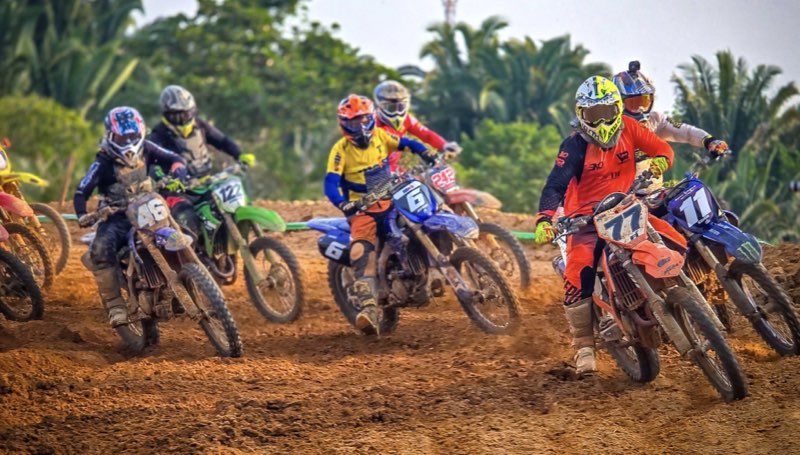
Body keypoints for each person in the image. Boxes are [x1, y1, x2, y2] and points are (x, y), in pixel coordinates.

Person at [533, 76, 676, 375]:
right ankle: (584, 344)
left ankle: (692, 290)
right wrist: (545, 219)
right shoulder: (573, 146)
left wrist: (661, 161)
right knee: (578, 270)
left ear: (617, 110)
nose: (601, 122)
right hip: (585, 220)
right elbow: (554, 185)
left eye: (606, 113)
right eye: (593, 115)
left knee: (670, 234)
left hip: (625, 206)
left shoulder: (631, 127)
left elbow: (661, 148)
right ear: (581, 116)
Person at [324, 94, 433, 333]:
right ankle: (369, 311)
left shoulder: (381, 136)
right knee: (362, 252)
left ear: (372, 118)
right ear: (344, 124)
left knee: (423, 219)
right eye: (353, 122)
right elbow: (330, 184)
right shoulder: (340, 151)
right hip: (362, 210)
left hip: (391, 199)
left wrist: (426, 153)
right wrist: (343, 204)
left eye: (363, 120)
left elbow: (408, 143)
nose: (360, 126)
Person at [75, 106, 187, 327]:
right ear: (110, 135)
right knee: (100, 249)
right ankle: (115, 305)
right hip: (117, 216)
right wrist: (83, 215)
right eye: (121, 136)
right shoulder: (103, 162)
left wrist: (177, 171)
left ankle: (191, 275)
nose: (128, 141)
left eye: (132, 135)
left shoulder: (146, 148)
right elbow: (81, 191)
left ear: (141, 132)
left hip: (150, 205)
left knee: (184, 227)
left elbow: (174, 158)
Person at [148, 85, 255, 234]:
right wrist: (166, 180)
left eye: (188, 113)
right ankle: (191, 256)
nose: (185, 119)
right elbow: (152, 166)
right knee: (189, 221)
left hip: (205, 182)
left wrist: (239, 154)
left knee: (228, 209)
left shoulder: (199, 125)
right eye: (179, 115)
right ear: (168, 115)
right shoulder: (157, 136)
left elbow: (222, 141)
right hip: (178, 191)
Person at [613, 61, 730, 187]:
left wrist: (710, 141)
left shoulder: (655, 120)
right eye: (634, 104)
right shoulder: (612, 131)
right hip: (622, 196)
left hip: (654, 193)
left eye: (645, 101)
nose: (641, 109)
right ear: (619, 104)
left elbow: (686, 132)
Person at [373, 80, 462, 172]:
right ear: (379, 106)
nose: (397, 112)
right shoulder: (372, 124)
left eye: (401, 107)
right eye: (391, 108)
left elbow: (426, 134)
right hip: (373, 174)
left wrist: (444, 145)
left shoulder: (407, 119)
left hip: (395, 171)